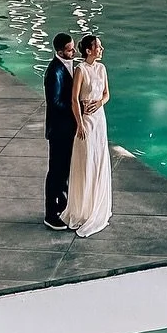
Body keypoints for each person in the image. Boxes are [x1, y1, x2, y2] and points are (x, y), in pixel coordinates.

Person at [63, 35, 112, 237]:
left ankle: (96, 206)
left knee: (99, 159)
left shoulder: (102, 69)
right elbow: (74, 99)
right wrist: (80, 123)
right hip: (86, 122)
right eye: (98, 46)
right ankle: (83, 209)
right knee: (86, 161)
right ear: (89, 50)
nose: (101, 49)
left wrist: (100, 103)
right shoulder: (80, 70)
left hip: (100, 119)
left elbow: (107, 94)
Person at [43, 32, 77, 229]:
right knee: (56, 171)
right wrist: (76, 107)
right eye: (70, 50)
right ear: (59, 51)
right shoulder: (54, 71)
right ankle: (50, 213)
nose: (73, 52)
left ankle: (63, 206)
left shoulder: (69, 65)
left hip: (68, 129)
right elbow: (54, 102)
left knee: (64, 170)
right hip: (59, 130)